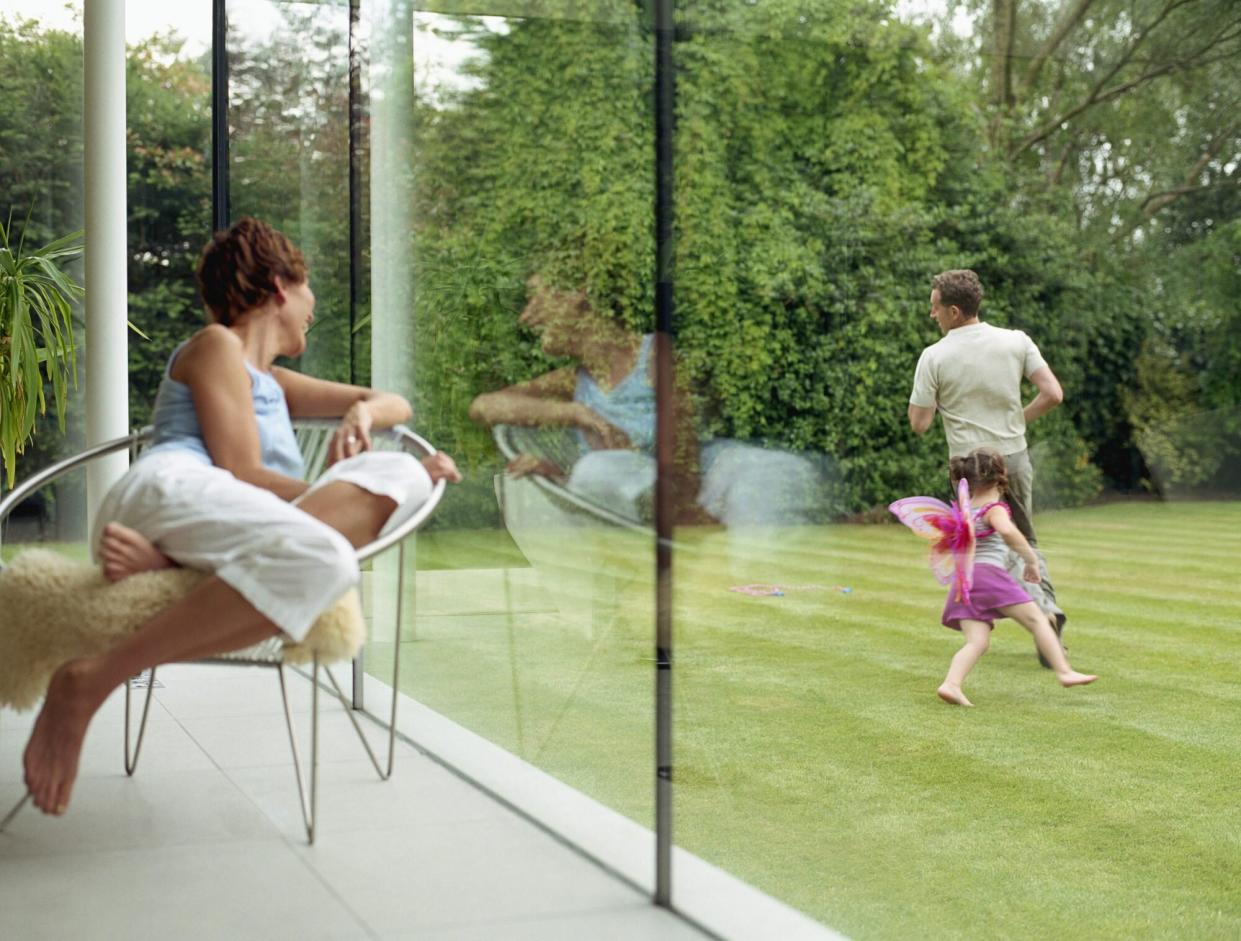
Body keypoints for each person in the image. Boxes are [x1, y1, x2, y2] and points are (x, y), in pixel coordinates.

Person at [21, 217, 460, 818]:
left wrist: (362, 414)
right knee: (329, 554)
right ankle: (91, 679)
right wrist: (331, 482)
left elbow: (396, 404)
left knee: (404, 475)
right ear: (281, 285)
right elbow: (241, 471)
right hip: (171, 490)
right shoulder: (215, 345)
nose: (314, 310)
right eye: (309, 294)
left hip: (224, 521)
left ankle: (179, 563)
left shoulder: (275, 384)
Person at [469, 275, 824, 526]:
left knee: (759, 505)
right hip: (655, 502)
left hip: (709, 482)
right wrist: (575, 413)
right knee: (597, 469)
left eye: (535, 297)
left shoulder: (655, 355)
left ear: (575, 296)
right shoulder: (573, 382)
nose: (526, 315)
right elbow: (484, 406)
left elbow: (682, 459)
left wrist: (694, 519)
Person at [907, 269, 1066, 667]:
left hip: (968, 466)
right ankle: (1046, 609)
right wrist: (1016, 422)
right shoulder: (1016, 341)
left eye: (935, 308)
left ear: (955, 311)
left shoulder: (934, 355)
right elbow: (1053, 393)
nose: (932, 315)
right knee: (1024, 535)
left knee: (976, 540)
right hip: (1012, 454)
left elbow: (919, 424)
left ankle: (975, 628)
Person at [895, 448, 1097, 707]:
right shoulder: (994, 509)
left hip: (964, 582)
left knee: (977, 641)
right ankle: (1065, 672)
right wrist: (1031, 560)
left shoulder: (966, 510)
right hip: (988, 575)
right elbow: (1008, 532)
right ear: (1001, 476)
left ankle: (951, 684)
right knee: (1038, 620)